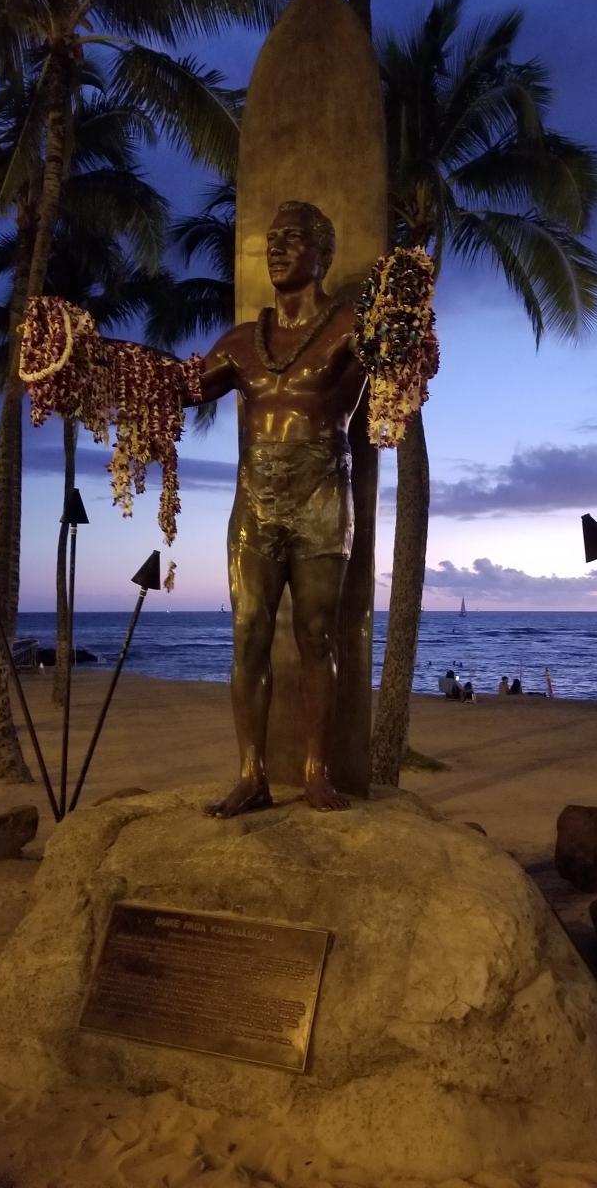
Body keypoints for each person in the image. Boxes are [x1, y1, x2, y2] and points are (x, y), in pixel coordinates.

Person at [191, 202, 370, 817]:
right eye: (272, 239)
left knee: (318, 635)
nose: (277, 248)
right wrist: (98, 360)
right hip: (255, 502)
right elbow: (181, 387)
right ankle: (252, 774)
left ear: (323, 253)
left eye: (293, 238)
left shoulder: (351, 326)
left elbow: (399, 361)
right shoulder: (243, 342)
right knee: (248, 633)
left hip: (322, 496)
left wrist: (405, 317)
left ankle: (318, 771)